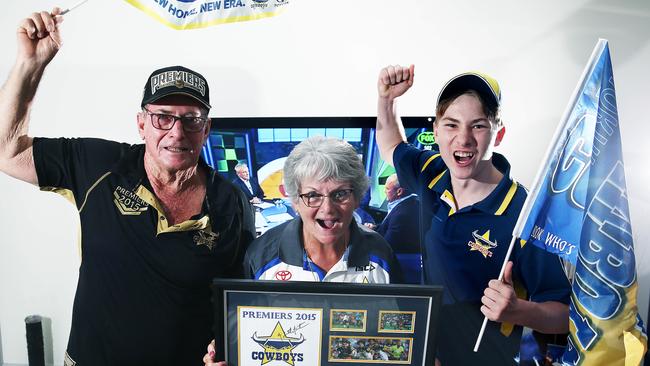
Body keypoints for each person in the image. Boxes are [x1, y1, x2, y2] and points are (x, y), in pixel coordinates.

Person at [0, 8, 255, 366]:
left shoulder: (232, 201)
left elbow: (238, 299)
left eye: (191, 119)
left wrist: (227, 348)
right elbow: (7, 150)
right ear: (141, 124)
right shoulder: (98, 165)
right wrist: (31, 64)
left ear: (206, 128)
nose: (176, 132)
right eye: (163, 117)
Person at [376, 65, 571, 364]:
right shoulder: (432, 172)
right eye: (452, 125)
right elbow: (391, 145)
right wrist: (387, 101)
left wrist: (518, 310)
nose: (463, 139)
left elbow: (564, 316)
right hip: (430, 355)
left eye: (478, 125)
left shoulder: (525, 213)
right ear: (436, 131)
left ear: (499, 133)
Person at [203, 136, 401, 365]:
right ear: (295, 201)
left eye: (340, 194)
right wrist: (226, 348)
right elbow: (240, 332)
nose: (327, 209)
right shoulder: (261, 255)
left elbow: (398, 332)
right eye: (313, 195)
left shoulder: (381, 254)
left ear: (357, 198)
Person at [366, 173, 421, 254]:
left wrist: (367, 236)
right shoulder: (409, 202)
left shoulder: (402, 214)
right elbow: (389, 227)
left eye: (387, 189)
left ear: (399, 192)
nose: (384, 191)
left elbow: (385, 246)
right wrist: (374, 228)